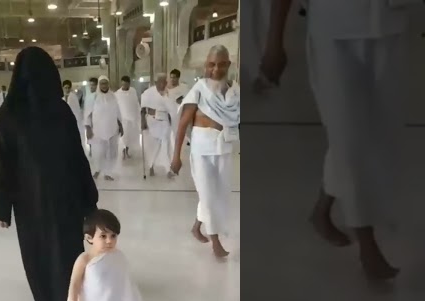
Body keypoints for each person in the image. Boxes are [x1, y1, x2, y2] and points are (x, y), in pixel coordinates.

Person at [259, 0, 414, 279]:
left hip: (390, 22)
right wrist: (274, 43)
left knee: (375, 135)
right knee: (348, 137)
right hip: (334, 29)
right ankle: (367, 245)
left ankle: (321, 211)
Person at [0, 46, 99, 301]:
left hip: (30, 199)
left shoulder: (9, 114)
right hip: (65, 195)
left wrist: (2, 207)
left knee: (38, 247)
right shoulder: (58, 110)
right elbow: (77, 157)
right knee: (63, 246)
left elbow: (3, 164)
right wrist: (89, 196)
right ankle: (65, 299)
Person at [171, 45, 240, 258]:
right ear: (205, 66)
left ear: (228, 64)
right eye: (211, 64)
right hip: (201, 150)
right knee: (208, 196)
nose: (215, 69)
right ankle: (215, 241)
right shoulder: (199, 90)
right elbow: (183, 124)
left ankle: (196, 227)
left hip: (225, 147)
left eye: (220, 64)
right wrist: (176, 156)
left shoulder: (235, 90)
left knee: (219, 194)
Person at [85, 75, 124, 181]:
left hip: (112, 129)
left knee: (112, 152)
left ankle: (108, 172)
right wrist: (88, 128)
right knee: (98, 152)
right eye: (102, 83)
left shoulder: (113, 96)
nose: (104, 85)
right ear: (99, 85)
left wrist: (121, 125)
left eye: (105, 83)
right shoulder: (93, 97)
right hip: (97, 130)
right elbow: (88, 114)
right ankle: (97, 170)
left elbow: (118, 112)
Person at [140, 73, 173, 177]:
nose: (164, 84)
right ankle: (151, 165)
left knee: (166, 144)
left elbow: (171, 109)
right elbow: (143, 109)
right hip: (152, 121)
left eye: (165, 81)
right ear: (156, 82)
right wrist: (142, 122)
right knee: (155, 146)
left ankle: (168, 169)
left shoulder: (168, 93)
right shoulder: (148, 93)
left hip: (165, 121)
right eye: (161, 81)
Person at [115, 75, 141, 159]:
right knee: (124, 137)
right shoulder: (117, 94)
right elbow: (116, 107)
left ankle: (127, 151)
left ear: (129, 84)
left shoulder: (133, 91)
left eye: (126, 84)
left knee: (130, 137)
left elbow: (136, 104)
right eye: (123, 84)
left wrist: (139, 115)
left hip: (132, 119)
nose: (124, 86)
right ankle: (123, 152)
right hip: (123, 120)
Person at [166, 69, 190, 137]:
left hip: (180, 114)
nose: (172, 79)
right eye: (171, 77)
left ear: (178, 78)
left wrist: (182, 100)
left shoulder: (183, 88)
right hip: (171, 114)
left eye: (174, 77)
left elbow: (188, 99)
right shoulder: (167, 90)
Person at [83, 77, 99, 156]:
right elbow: (86, 109)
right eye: (90, 85)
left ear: (97, 85)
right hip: (88, 119)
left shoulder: (98, 95)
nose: (91, 87)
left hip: (96, 119)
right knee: (90, 137)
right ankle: (91, 150)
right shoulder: (88, 96)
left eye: (93, 85)